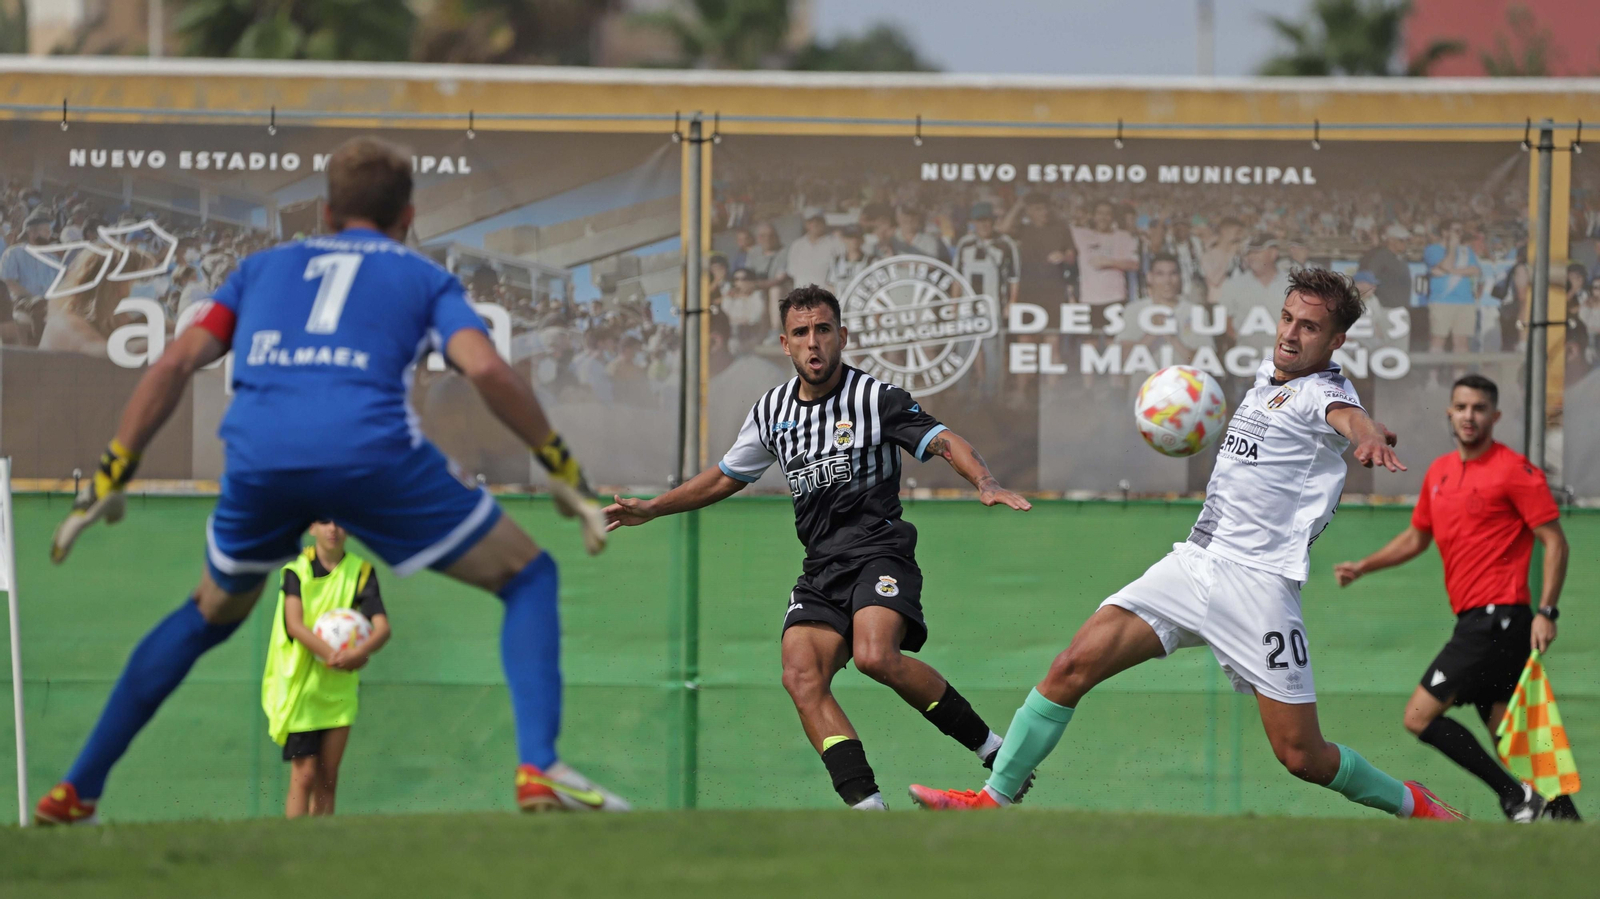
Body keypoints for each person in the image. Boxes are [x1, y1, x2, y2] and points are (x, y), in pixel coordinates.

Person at [32, 136, 625, 826]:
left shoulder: (258, 271)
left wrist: (113, 472)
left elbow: (169, 367)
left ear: (323, 212)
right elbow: (487, 370)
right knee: (527, 576)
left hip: (261, 459)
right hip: (371, 455)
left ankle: (77, 787)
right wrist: (561, 468)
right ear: (408, 216)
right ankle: (538, 766)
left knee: (204, 613)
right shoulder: (421, 276)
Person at [909, 269, 1467, 822]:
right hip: (1194, 565)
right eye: (1288, 318)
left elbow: (1346, 417)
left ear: (1336, 341)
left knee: (1303, 757)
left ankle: (1413, 804)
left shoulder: (1322, 393)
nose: (1291, 335)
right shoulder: (1267, 378)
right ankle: (990, 800)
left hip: (1260, 587)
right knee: (1071, 666)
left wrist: (1367, 436)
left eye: (1311, 328)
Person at [605, 285, 1034, 811]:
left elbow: (946, 440)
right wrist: (654, 508)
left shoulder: (876, 399)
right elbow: (723, 478)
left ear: (842, 337)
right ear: (785, 344)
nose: (815, 343)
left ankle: (996, 751)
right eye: (802, 333)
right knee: (801, 675)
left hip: (879, 551)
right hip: (822, 567)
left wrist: (984, 481)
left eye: (824, 330)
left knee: (875, 655)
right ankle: (867, 810)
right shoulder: (771, 412)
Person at [1334, 375, 1578, 822]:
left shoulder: (1514, 470)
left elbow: (1556, 542)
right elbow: (1416, 538)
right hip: (1474, 621)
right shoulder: (1440, 473)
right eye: (1462, 407)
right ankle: (1566, 820)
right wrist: (1363, 566)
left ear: (1495, 416)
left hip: (1500, 619)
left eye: (1479, 408)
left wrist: (1547, 611)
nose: (1469, 416)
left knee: (1418, 716)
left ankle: (1514, 797)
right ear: (1450, 412)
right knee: (1512, 737)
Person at [262, 520, 392, 818]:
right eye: (325, 521)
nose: (333, 528)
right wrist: (335, 655)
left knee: (327, 778)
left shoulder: (361, 572)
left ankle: (321, 850)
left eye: (341, 522)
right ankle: (293, 846)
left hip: (338, 691)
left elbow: (382, 628)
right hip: (301, 690)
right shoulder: (296, 570)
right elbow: (294, 624)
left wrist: (360, 652)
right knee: (304, 775)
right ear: (311, 527)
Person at [955, 203, 1022, 398]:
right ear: (973, 223)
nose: (984, 225)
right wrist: (954, 305)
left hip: (992, 309)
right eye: (979, 221)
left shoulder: (1006, 244)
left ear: (994, 222)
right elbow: (957, 276)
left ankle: (992, 397)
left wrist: (1012, 303)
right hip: (967, 310)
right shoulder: (965, 243)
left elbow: (1014, 278)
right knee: (964, 355)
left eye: (987, 221)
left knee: (993, 355)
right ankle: (963, 396)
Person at [1215, 235, 1292, 353]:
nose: (1251, 257)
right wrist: (1239, 341)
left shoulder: (1291, 283)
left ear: (1273, 253)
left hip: (1283, 359)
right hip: (1246, 361)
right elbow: (1225, 320)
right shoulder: (1234, 284)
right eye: (1249, 253)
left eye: (1257, 252)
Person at [1071, 200, 1140, 317]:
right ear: (1093, 216)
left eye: (1108, 214)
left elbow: (1135, 265)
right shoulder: (1080, 234)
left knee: (1114, 335)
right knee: (1090, 335)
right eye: (1099, 213)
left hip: (1116, 297)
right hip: (1088, 298)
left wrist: (1109, 262)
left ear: (1113, 217)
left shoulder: (1123, 236)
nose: (1103, 217)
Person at [1424, 220, 1481, 354]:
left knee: (1461, 343)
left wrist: (1449, 271)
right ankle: (1433, 375)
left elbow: (1475, 270)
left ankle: (1460, 375)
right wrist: (1452, 248)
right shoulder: (1432, 249)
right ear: (1445, 232)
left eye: (1461, 231)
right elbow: (1446, 264)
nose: (1459, 234)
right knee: (1438, 342)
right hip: (1441, 301)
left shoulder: (1466, 251)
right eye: (1456, 230)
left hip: (1465, 301)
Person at [1359, 224, 1414, 310]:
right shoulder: (1381, 257)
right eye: (1401, 240)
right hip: (1386, 309)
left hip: (1401, 308)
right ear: (1391, 240)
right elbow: (1368, 279)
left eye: (1406, 240)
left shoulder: (1400, 258)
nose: (1405, 243)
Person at [786, 207, 843, 291]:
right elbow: (792, 272)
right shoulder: (797, 245)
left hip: (826, 295)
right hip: (802, 296)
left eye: (818, 220)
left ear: (824, 222)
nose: (815, 224)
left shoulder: (836, 243)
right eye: (810, 221)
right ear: (805, 224)